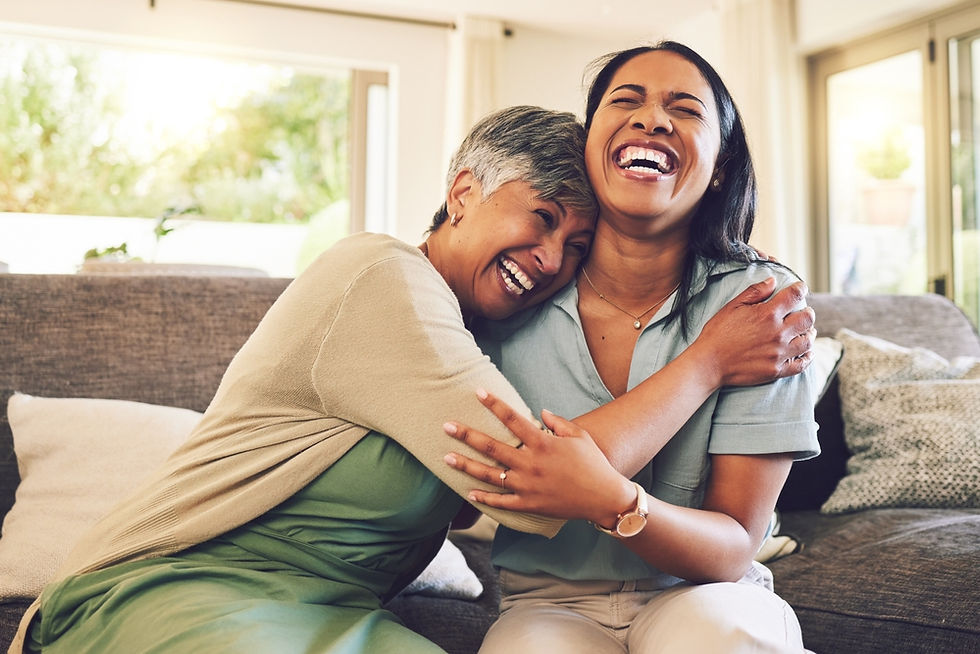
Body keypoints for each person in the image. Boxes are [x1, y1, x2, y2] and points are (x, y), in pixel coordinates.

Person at [10, 104, 811, 654]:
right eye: (541, 218)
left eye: (575, 244)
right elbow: (527, 479)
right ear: (463, 192)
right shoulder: (380, 275)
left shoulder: (486, 338)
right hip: (177, 585)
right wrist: (707, 359)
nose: (551, 259)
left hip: (335, 613)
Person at [443, 42, 820, 653]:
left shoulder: (761, 304)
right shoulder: (515, 286)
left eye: (686, 108)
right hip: (547, 600)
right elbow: (485, 481)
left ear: (721, 164)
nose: (652, 119)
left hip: (704, 591)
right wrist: (706, 364)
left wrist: (618, 503)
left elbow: (732, 546)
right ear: (588, 147)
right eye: (626, 100)